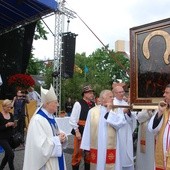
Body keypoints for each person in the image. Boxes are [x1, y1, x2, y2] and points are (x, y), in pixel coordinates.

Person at [81, 89, 131, 170]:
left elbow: (120, 124)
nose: (112, 99)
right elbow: (87, 129)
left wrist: (109, 111)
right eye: (110, 97)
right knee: (99, 165)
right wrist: (86, 147)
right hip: (97, 146)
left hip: (112, 146)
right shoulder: (92, 111)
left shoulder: (117, 110)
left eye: (113, 97)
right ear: (103, 99)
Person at [23, 85, 68, 170]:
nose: (57, 105)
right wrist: (57, 139)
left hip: (56, 158)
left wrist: (63, 136)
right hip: (46, 163)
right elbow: (39, 146)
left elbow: (55, 131)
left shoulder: (51, 116)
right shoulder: (37, 120)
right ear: (47, 104)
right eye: (55, 102)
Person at [69, 85, 95, 170]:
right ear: (84, 94)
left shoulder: (93, 104)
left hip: (90, 130)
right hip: (80, 129)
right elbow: (73, 119)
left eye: (92, 93)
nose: (92, 94)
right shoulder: (78, 103)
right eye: (90, 93)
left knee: (89, 152)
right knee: (77, 152)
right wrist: (77, 131)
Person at [112, 85, 135, 170]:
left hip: (126, 130)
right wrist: (123, 112)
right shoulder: (112, 103)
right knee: (119, 152)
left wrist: (128, 113)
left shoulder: (125, 103)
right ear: (114, 93)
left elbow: (131, 119)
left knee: (127, 151)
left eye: (123, 92)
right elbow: (112, 118)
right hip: (118, 132)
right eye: (120, 92)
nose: (122, 93)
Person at [148, 84, 170, 169]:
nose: (164, 95)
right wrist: (160, 113)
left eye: (167, 93)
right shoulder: (164, 109)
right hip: (163, 152)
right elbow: (152, 129)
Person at [0, 99, 15, 170]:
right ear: (3, 107)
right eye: (8, 107)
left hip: (10, 138)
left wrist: (14, 125)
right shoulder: (0, 115)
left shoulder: (11, 114)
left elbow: (12, 127)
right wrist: (6, 125)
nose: (10, 109)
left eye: (10, 107)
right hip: (2, 138)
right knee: (11, 154)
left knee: (7, 155)